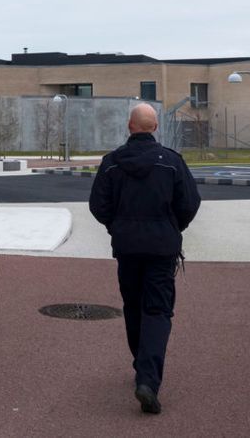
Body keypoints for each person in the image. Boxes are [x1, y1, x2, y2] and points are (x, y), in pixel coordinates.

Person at [89, 102, 200, 414]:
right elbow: (189, 203)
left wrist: (117, 226)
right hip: (162, 248)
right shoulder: (172, 162)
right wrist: (172, 227)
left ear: (130, 126)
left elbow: (98, 205)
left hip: (127, 247)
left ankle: (141, 364)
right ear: (155, 127)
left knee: (133, 306)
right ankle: (148, 379)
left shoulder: (112, 163)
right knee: (157, 310)